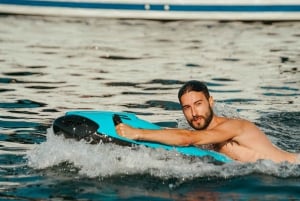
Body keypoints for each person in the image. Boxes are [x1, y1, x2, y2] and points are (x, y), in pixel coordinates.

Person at [116, 80, 298, 163]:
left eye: (198, 104)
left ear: (211, 102)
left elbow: (188, 138)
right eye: (187, 107)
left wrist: (138, 133)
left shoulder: (234, 126)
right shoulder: (204, 133)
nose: (194, 113)